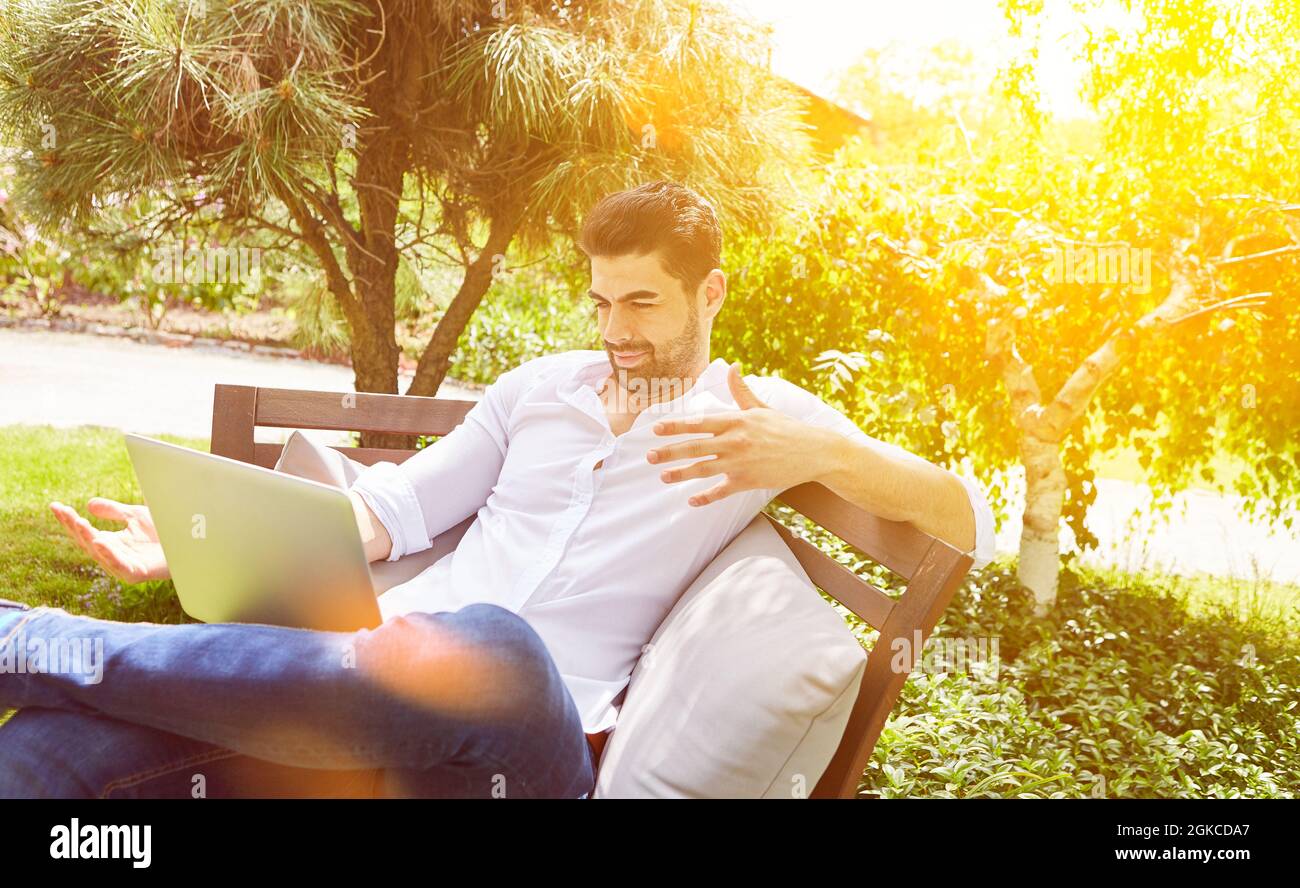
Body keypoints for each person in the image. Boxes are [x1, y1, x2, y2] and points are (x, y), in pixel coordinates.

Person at [0, 181, 995, 798]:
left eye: (643, 301)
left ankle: (28, 639)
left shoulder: (760, 416)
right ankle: (43, 663)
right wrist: (200, 540)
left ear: (712, 292)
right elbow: (395, 512)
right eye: (602, 300)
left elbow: (966, 521)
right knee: (54, 749)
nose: (616, 328)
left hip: (521, 751)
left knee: (491, 645)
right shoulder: (536, 392)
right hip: (365, 695)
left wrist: (816, 455)